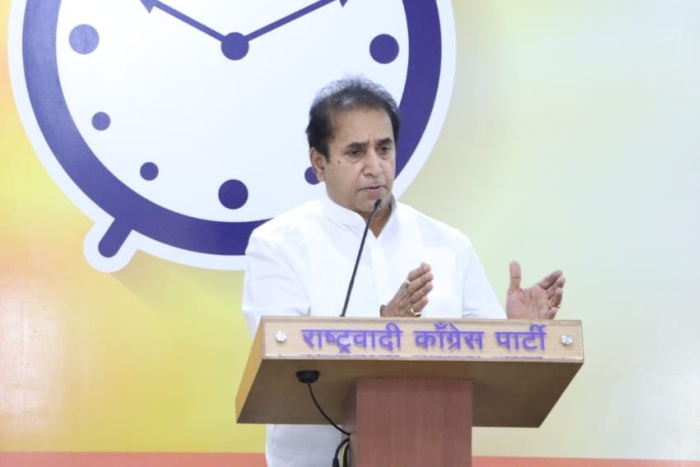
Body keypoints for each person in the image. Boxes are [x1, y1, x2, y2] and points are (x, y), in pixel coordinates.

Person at [241, 76, 566, 467]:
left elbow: (488, 371)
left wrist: (519, 334)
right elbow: (283, 371)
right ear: (319, 163)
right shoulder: (278, 245)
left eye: (384, 148)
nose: (375, 167)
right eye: (355, 152)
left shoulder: (448, 243)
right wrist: (382, 334)